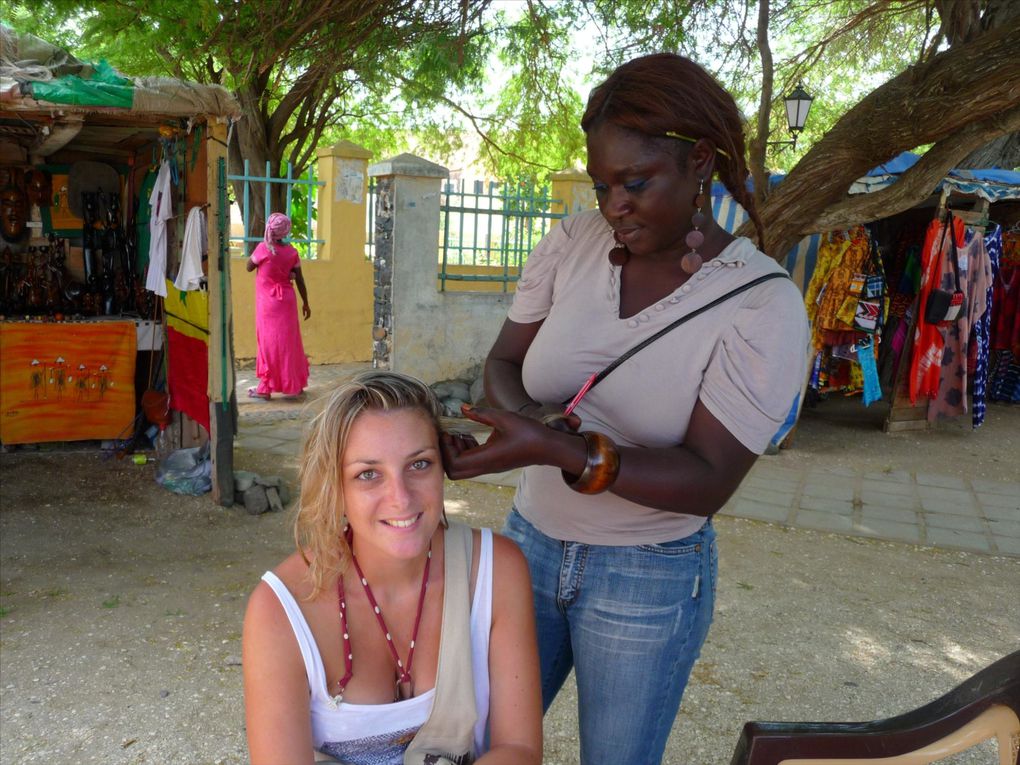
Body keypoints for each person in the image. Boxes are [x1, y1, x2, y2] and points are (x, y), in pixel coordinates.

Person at [442, 53, 809, 765]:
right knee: (476, 744)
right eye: (602, 184)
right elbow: (503, 365)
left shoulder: (761, 303)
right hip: (530, 544)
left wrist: (556, 448)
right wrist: (533, 425)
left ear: (699, 161)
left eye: (635, 182)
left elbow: (707, 478)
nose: (613, 205)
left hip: (648, 572)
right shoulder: (572, 245)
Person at [242, 371, 542, 765]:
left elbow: (519, 750)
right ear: (334, 486)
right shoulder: (281, 609)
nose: (400, 499)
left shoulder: (495, 570)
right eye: (368, 474)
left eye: (419, 464)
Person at [246, 212, 311, 399]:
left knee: (268, 343)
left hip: (268, 305)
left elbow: (248, 267)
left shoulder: (263, 249)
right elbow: (300, 280)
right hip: (287, 302)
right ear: (285, 231)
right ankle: (294, 385)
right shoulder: (292, 252)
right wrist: (306, 302)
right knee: (289, 343)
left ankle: (265, 389)